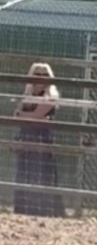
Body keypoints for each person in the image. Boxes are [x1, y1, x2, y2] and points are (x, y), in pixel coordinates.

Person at [13, 62, 65, 217]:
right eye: (37, 74)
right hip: (26, 140)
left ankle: (41, 212)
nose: (40, 78)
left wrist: (25, 116)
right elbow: (16, 115)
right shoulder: (27, 96)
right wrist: (29, 117)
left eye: (44, 75)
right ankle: (23, 211)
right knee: (24, 175)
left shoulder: (50, 97)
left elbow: (34, 115)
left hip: (42, 141)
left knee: (40, 176)